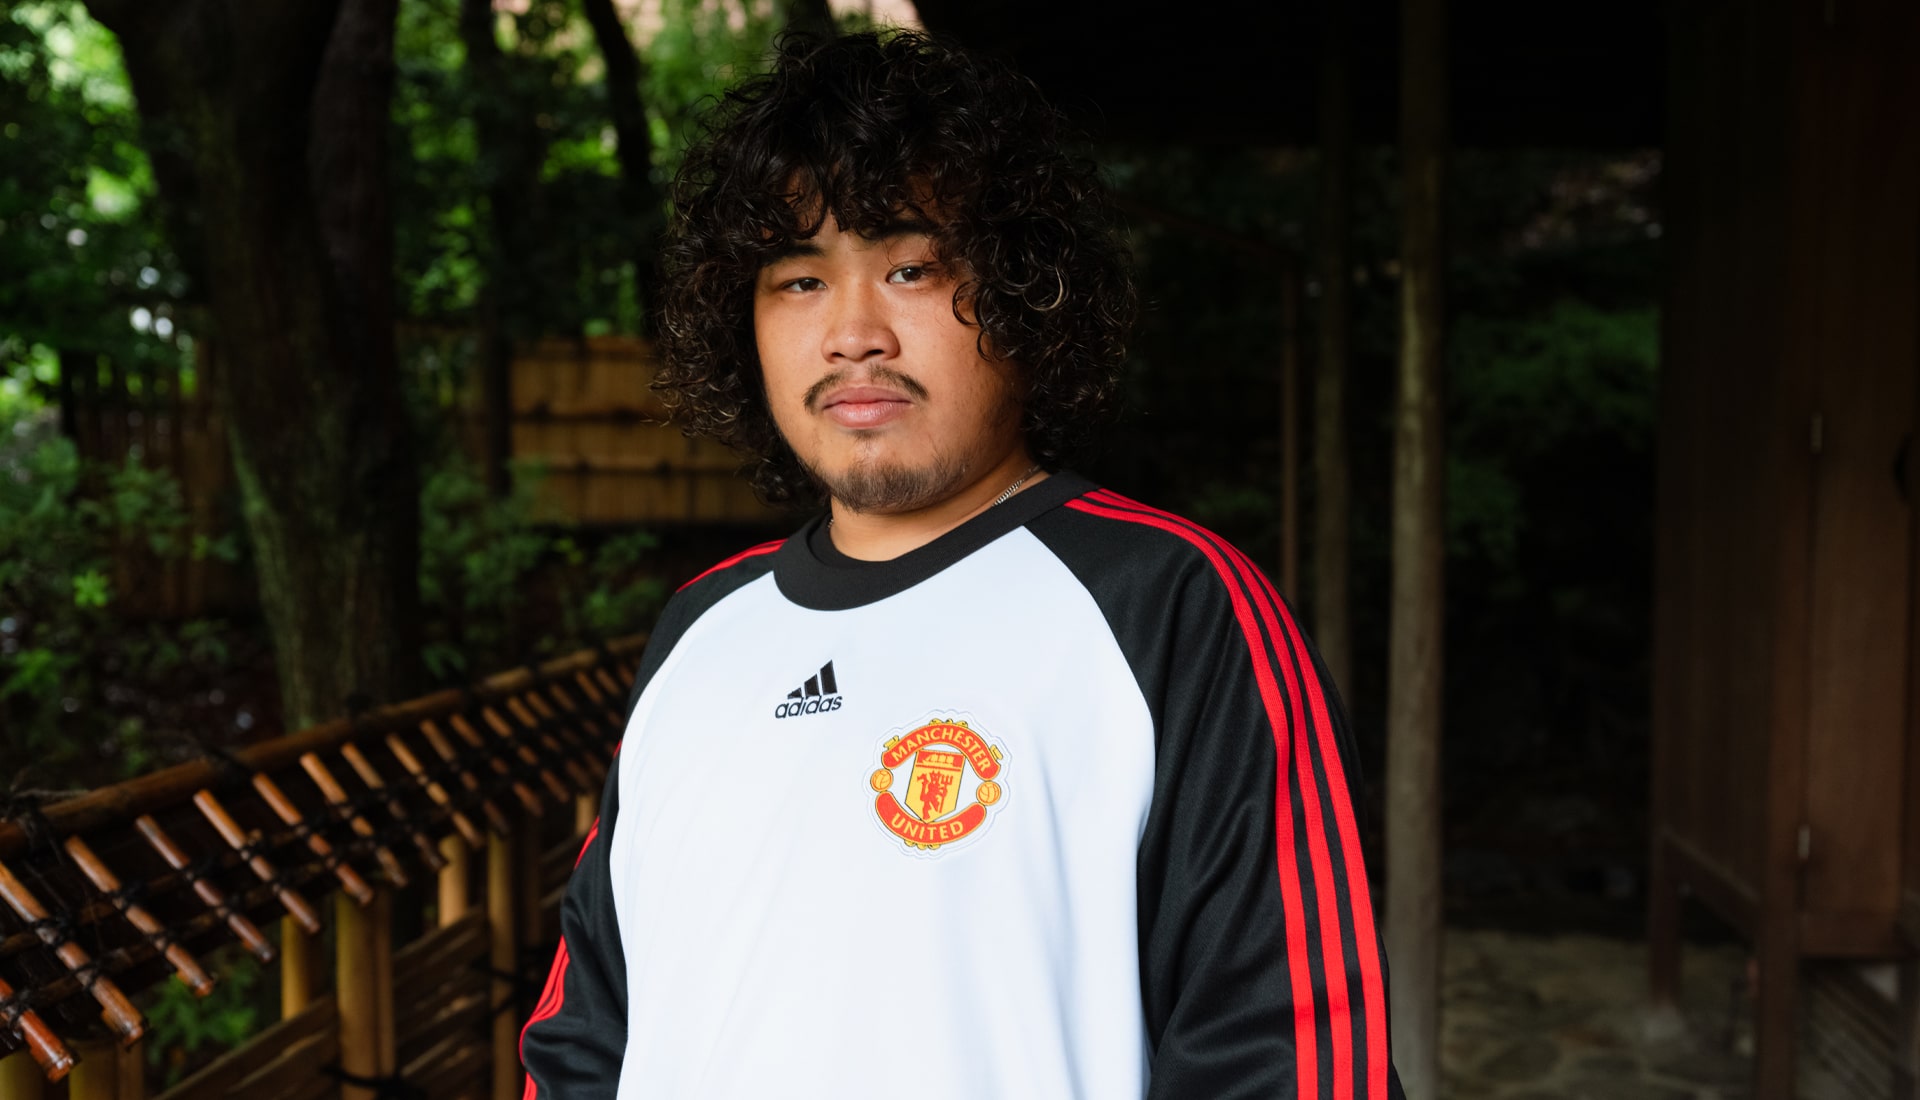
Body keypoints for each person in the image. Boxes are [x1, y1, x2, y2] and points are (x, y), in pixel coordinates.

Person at [520, 29, 1403, 1100]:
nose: (853, 333)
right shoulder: (700, 629)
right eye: (798, 279)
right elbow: (584, 1033)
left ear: (1029, 292)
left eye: (911, 268)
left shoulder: (1173, 606)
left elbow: (1290, 1058)